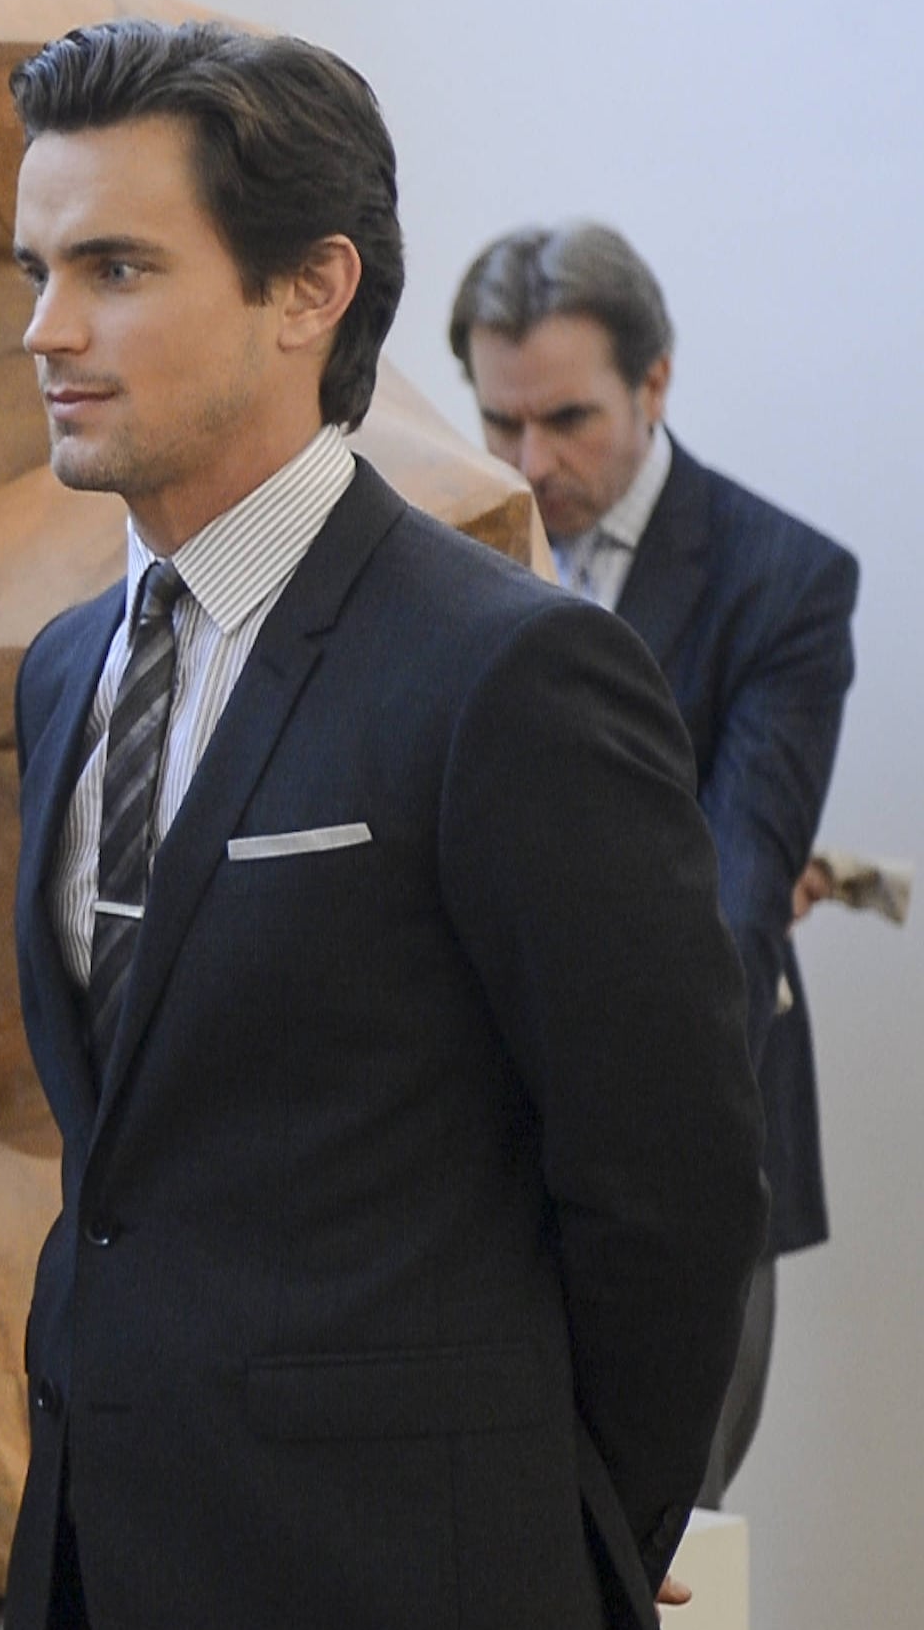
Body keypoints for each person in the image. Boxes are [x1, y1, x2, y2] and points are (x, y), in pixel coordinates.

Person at [0, 22, 765, 1629]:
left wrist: (579, 1541)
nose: (45, 327)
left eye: (115, 268)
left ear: (309, 290)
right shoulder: (65, 668)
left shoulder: (512, 673)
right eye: (36, 268)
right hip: (91, 1551)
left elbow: (670, 1188)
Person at [450, 221, 858, 1507]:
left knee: (663, 1539)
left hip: (682, 1150)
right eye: (500, 419)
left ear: (656, 382)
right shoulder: (442, 546)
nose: (531, 462)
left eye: (568, 418)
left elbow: (735, 899)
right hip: (461, 1146)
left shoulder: (782, 579)